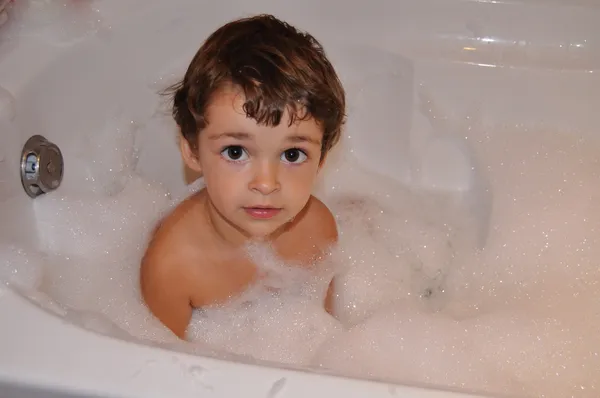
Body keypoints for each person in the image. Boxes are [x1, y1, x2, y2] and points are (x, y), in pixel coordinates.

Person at [140, 14, 346, 339]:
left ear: (321, 160)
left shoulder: (319, 228)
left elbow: (329, 336)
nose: (266, 183)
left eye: (292, 155)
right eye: (236, 152)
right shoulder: (172, 268)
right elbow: (163, 369)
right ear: (192, 150)